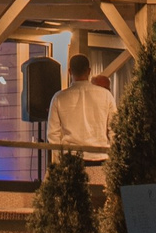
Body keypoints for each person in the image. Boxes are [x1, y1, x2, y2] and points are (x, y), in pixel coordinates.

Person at [45, 54, 117, 185]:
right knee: (98, 196)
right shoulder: (106, 95)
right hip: (100, 157)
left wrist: (60, 159)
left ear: (69, 71)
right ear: (89, 71)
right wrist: (113, 156)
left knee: (72, 196)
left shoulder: (58, 98)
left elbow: (53, 134)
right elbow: (114, 130)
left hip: (71, 158)